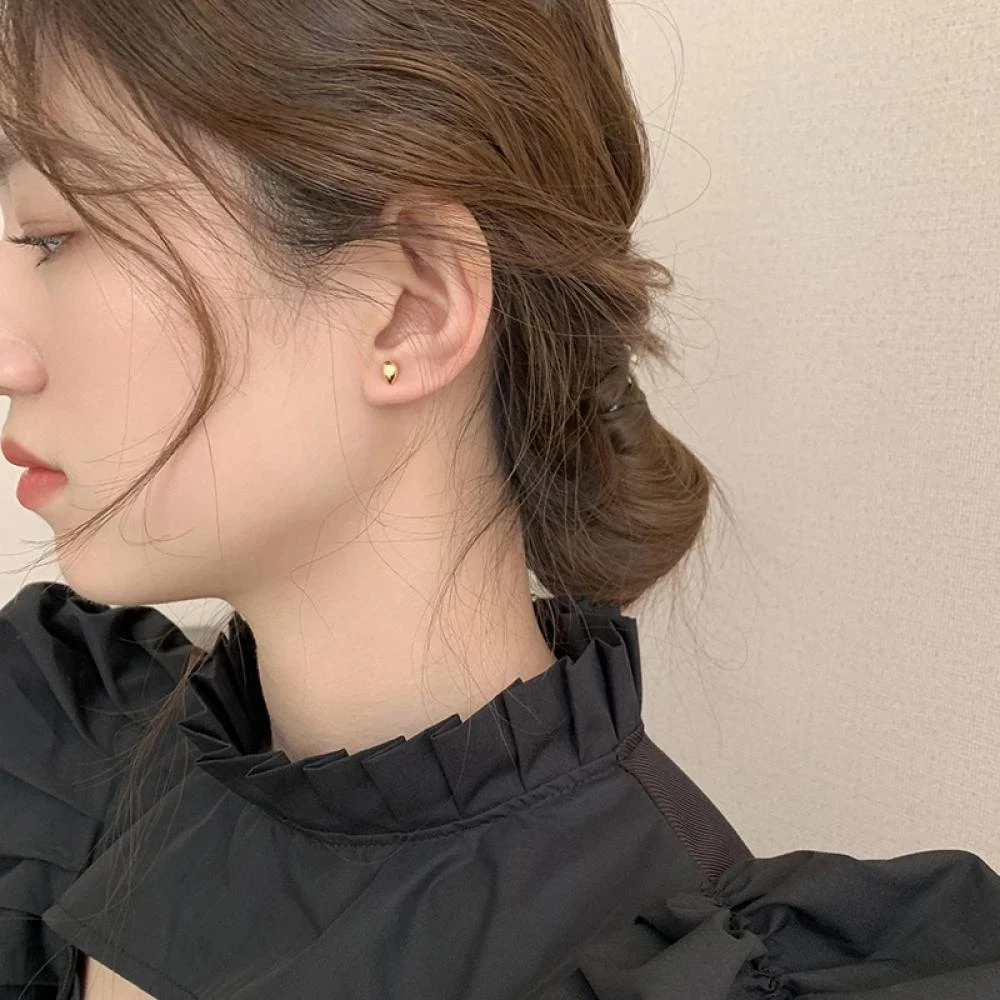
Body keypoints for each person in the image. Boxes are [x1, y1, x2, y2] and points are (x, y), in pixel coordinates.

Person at [0, 2, 997, 998]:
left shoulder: (675, 975)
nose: (9, 352)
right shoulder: (72, 740)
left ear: (412, 304)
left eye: (52, 238)